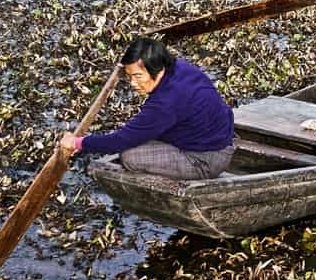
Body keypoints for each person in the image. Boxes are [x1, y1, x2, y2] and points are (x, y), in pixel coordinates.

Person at [60, 36, 235, 179]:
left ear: (157, 69)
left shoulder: (165, 102)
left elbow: (120, 141)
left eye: (137, 76)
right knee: (143, 134)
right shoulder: (179, 67)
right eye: (129, 77)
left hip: (206, 159)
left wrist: (77, 143)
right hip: (219, 138)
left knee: (130, 156)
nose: (133, 83)